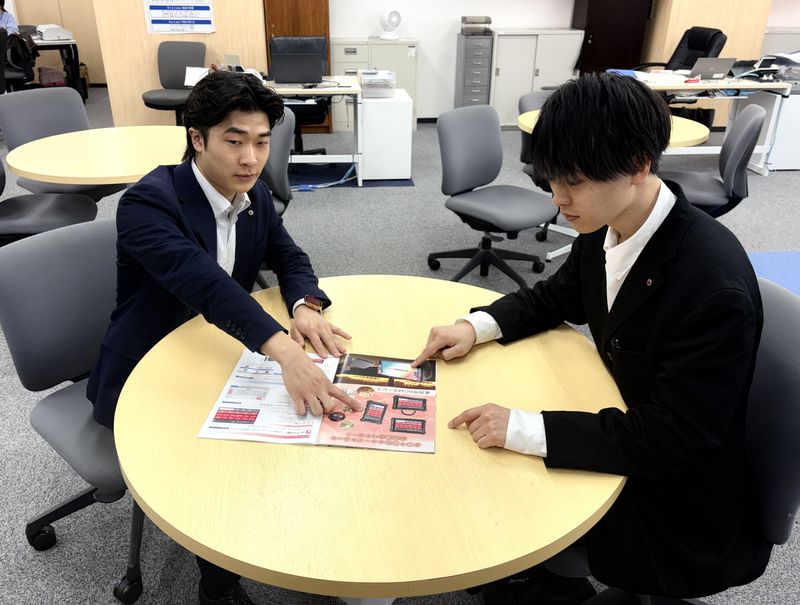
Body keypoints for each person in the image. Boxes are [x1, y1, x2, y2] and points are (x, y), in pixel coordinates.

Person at [413, 73, 772, 604]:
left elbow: (671, 440)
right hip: (627, 418)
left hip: (676, 499)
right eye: (551, 181)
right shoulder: (609, 221)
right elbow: (556, 297)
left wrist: (523, 427)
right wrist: (475, 326)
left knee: (494, 471)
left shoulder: (711, 288)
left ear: (638, 166)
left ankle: (551, 575)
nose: (558, 201)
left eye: (574, 183)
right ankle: (546, 577)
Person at [87, 71, 359, 605]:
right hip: (149, 367)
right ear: (197, 138)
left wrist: (304, 305)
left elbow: (289, 257)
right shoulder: (148, 203)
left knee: (298, 428)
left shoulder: (252, 195)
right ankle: (218, 586)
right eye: (234, 142)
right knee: (220, 466)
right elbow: (205, 284)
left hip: (220, 350)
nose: (250, 160)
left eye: (261, 142)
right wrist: (284, 350)